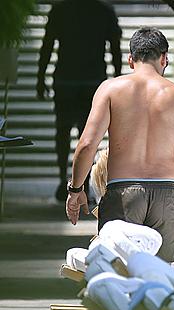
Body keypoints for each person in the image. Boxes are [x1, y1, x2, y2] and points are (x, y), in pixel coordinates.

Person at [66, 27, 174, 263]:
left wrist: (76, 190)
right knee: (160, 275)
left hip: (123, 193)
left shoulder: (110, 90)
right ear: (164, 59)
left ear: (130, 60)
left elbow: (87, 145)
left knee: (117, 271)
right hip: (165, 196)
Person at [37, 0, 122, 202]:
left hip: (66, 79)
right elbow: (115, 48)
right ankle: (81, 183)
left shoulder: (60, 10)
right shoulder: (104, 11)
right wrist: (118, 81)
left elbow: (47, 44)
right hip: (92, 82)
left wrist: (40, 77)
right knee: (89, 134)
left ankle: (63, 180)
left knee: (63, 130)